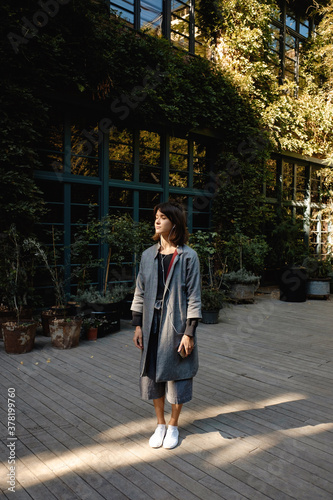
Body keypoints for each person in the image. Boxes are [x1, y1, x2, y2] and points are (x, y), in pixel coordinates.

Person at [131, 201, 201, 449]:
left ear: (175, 222)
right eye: (156, 217)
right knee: (152, 374)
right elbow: (140, 292)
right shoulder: (147, 255)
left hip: (177, 324)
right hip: (151, 324)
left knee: (178, 374)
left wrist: (189, 333)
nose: (157, 221)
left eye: (162, 217)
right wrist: (138, 325)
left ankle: (173, 425)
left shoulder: (188, 256)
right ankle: (159, 423)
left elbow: (194, 296)